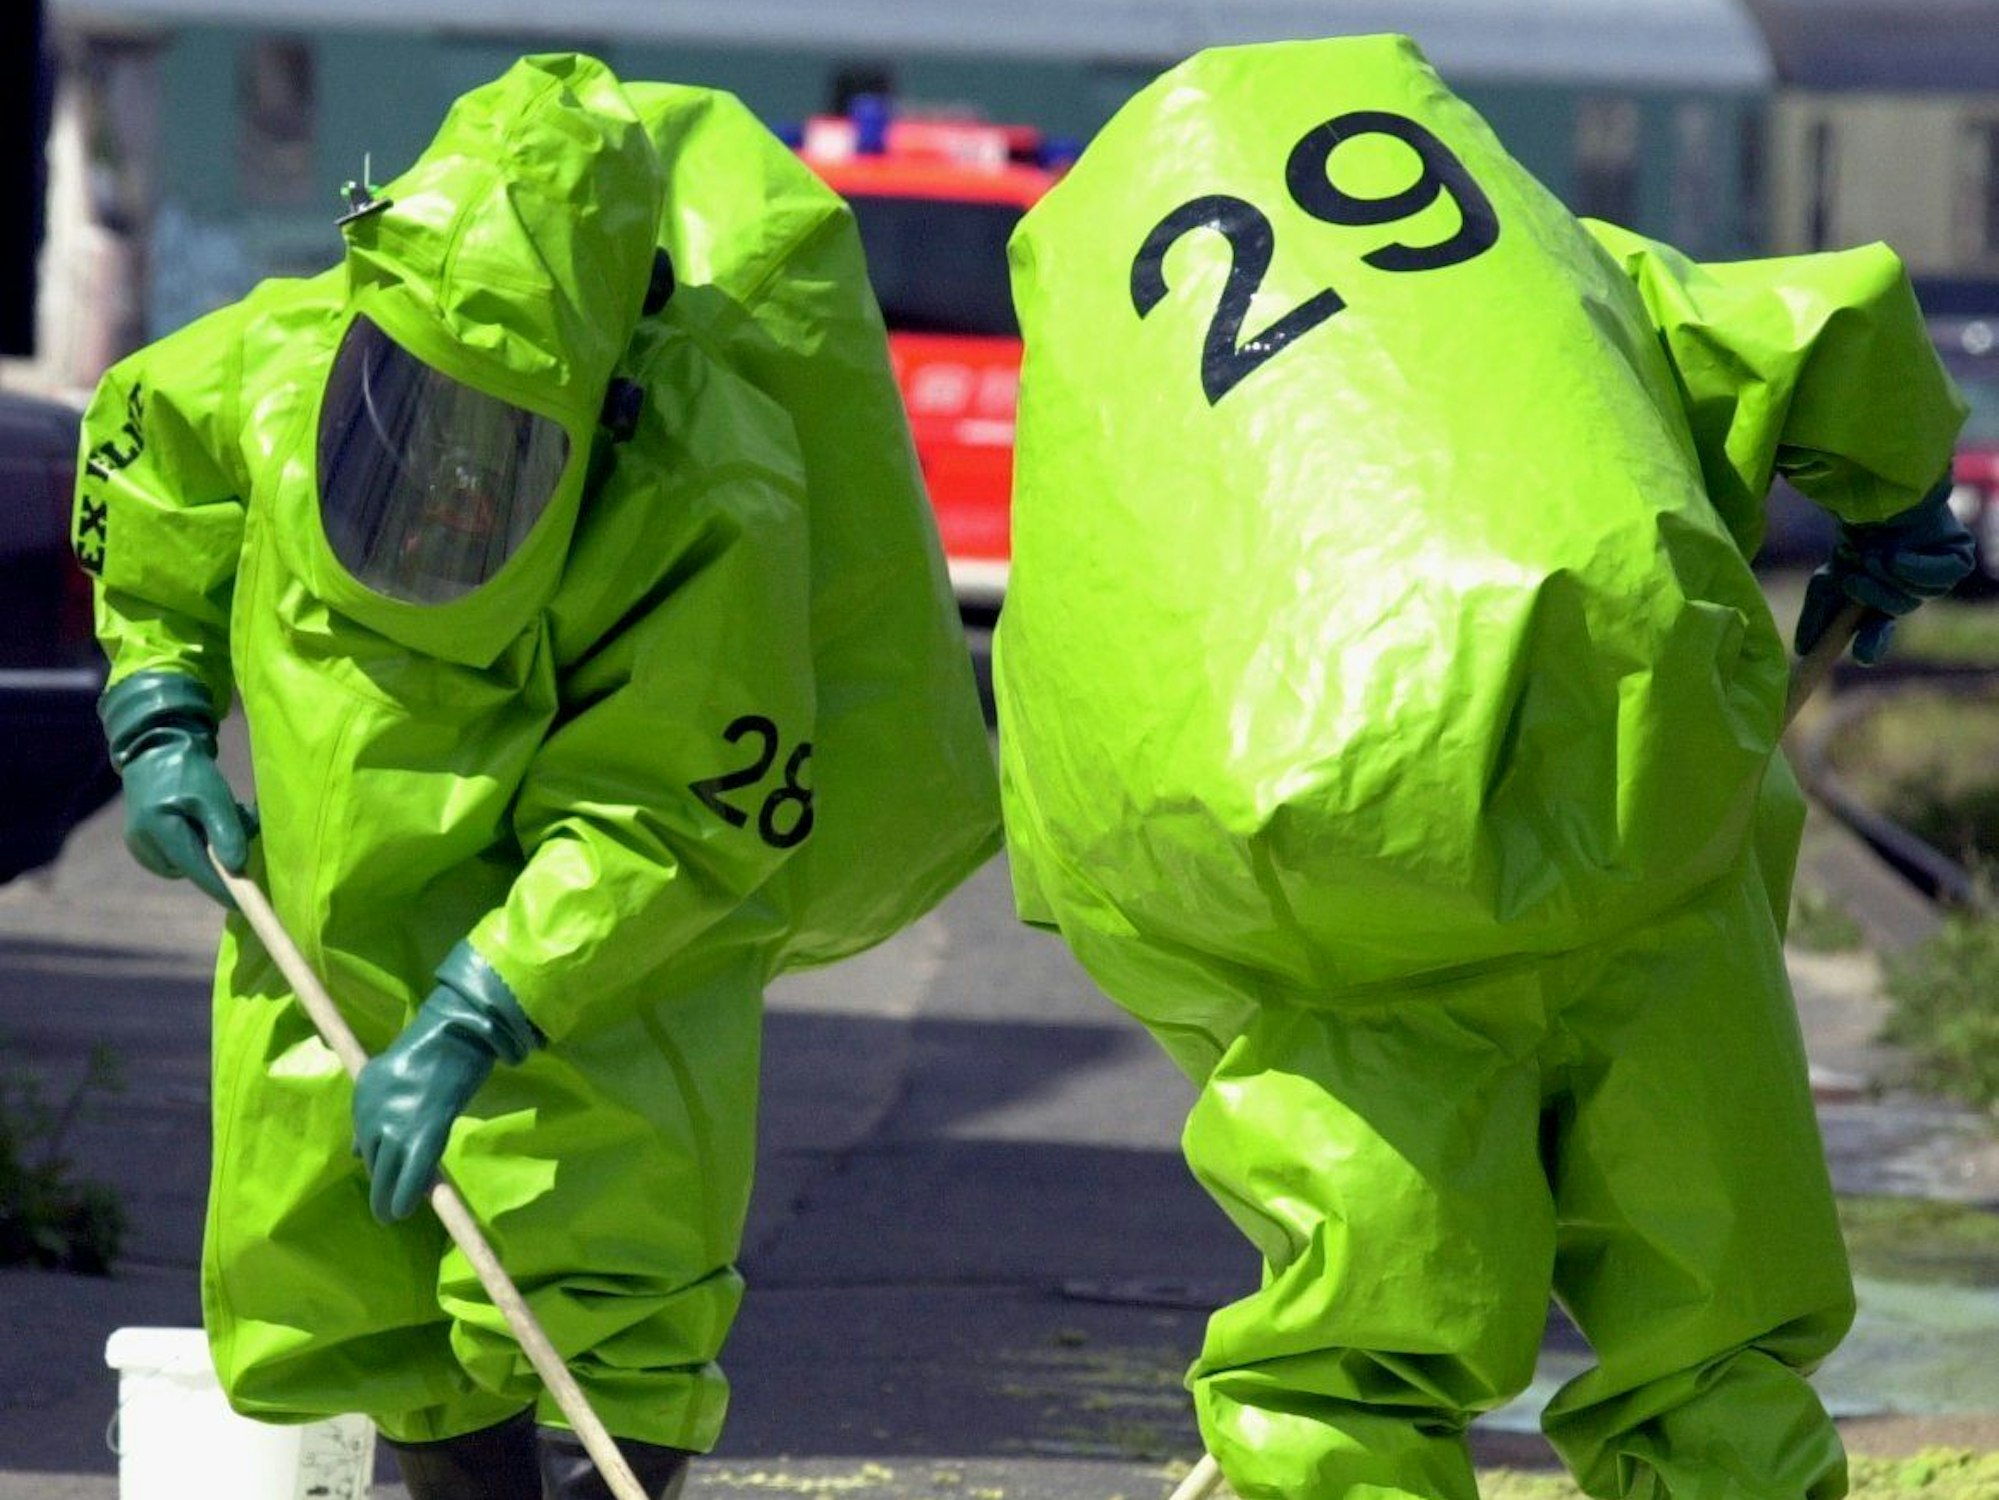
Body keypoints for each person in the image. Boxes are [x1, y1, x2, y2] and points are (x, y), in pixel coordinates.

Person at [994, 34, 1974, 1500]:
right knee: (1706, 1335)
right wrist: (1894, 505)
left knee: (1353, 1357)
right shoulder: (1561, 272)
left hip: (1343, 885)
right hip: (1635, 806)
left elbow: (1070, 730)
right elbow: (1838, 320)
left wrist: (1194, 956)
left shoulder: (1131, 398)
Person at [77, 53, 998, 1500]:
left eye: (500, 444)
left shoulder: (707, 487)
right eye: (418, 410)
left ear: (605, 393)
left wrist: (480, 1009)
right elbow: (154, 482)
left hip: (601, 970)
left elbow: (674, 801)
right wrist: (159, 706)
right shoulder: (284, 354)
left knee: (604, 1276)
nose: (445, 478)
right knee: (352, 1283)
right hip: (330, 913)